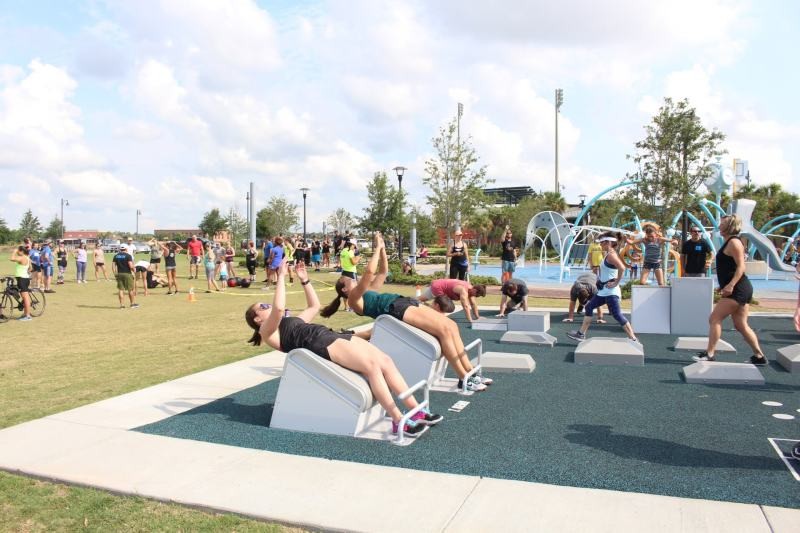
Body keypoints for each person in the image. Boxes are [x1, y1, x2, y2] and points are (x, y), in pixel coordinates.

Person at [245, 257, 440, 438]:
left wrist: (305, 280)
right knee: (372, 367)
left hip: (331, 335)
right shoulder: (267, 331)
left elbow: (314, 306)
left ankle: (416, 410)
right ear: (257, 319)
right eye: (263, 306)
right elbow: (279, 308)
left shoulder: (289, 322)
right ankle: (398, 420)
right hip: (319, 342)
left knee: (385, 361)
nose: (267, 305)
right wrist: (280, 276)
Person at [322, 233, 491, 392]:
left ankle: (470, 372)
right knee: (443, 331)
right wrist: (377, 248)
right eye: (347, 279)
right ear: (344, 290)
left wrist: (382, 249)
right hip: (395, 309)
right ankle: (463, 378)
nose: (351, 278)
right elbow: (369, 272)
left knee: (451, 325)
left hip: (403, 301)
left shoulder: (368, 291)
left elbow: (382, 272)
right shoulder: (354, 299)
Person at [693, 215, 766, 365]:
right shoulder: (729, 242)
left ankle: (710, 354)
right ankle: (759, 356)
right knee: (740, 325)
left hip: (739, 289)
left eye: (722, 223)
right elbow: (729, 267)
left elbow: (741, 266)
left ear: (730, 226)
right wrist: (724, 285)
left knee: (714, 318)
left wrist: (731, 285)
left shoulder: (734, 242)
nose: (719, 225)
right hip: (739, 288)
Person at [568, 232, 638, 343]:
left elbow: (622, 268)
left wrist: (616, 283)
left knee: (617, 315)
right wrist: (599, 274)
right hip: (604, 291)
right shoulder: (608, 254)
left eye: (602, 243)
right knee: (589, 307)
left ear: (608, 243)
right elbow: (610, 271)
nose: (600, 245)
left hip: (611, 292)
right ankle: (581, 334)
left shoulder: (611, 255)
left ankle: (633, 339)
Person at [417, 278, 487, 326]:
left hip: (438, 284)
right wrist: (470, 320)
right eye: (477, 295)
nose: (477, 296)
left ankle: (419, 302)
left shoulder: (470, 289)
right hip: (438, 287)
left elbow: (473, 304)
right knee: (445, 306)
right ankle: (432, 314)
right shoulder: (463, 290)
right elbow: (465, 306)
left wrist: (478, 317)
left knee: (419, 300)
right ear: (475, 290)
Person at [10, 245, 32, 321]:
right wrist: (25, 272)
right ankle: (25, 314)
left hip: (22, 279)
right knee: (25, 297)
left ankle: (28, 316)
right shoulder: (27, 258)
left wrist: (14, 252)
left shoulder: (22, 257)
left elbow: (12, 259)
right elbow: (31, 268)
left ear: (21, 251)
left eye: (18, 251)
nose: (17, 252)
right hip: (24, 278)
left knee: (25, 298)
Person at [112, 245, 138, 309]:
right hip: (127, 274)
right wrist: (134, 270)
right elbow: (130, 266)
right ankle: (132, 304)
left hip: (119, 274)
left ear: (120, 249)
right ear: (126, 249)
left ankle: (122, 305)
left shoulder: (116, 256)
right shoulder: (128, 256)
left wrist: (115, 274)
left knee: (121, 289)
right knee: (130, 289)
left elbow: (113, 266)